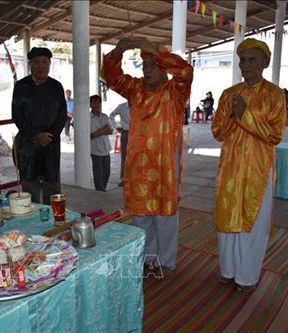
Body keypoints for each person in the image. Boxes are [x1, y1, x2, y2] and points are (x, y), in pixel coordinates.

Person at [103, 37, 193, 278]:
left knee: (164, 216)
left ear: (164, 70)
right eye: (144, 66)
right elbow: (111, 78)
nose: (147, 71)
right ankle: (147, 258)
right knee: (142, 215)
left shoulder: (175, 92)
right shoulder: (136, 89)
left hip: (165, 165)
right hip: (139, 165)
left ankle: (166, 262)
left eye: (153, 66)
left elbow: (185, 71)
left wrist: (155, 51)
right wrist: (119, 51)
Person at [211, 38, 286, 292]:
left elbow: (275, 135)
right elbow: (218, 132)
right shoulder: (228, 94)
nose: (246, 65)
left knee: (253, 222)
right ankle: (228, 270)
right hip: (230, 168)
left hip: (259, 170)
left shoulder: (275, 95)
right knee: (227, 220)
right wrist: (233, 114)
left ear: (265, 63)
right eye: (242, 59)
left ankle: (247, 276)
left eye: (252, 59)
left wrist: (246, 114)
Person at [12, 47, 67, 204]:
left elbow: (62, 115)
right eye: (36, 62)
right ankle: (34, 224)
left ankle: (56, 222)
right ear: (30, 65)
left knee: (53, 189)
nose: (40, 66)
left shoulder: (56, 87)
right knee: (30, 189)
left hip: (51, 144)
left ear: (49, 64)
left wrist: (49, 136)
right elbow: (17, 115)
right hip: (28, 144)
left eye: (44, 62)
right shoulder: (21, 87)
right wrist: (36, 135)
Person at [90, 95, 113, 191]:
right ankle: (100, 190)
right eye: (94, 102)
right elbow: (91, 135)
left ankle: (102, 189)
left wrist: (100, 131)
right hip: (95, 150)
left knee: (107, 172)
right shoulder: (88, 118)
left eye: (98, 102)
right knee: (98, 173)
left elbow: (110, 131)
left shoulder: (104, 116)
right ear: (90, 104)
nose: (97, 105)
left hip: (106, 148)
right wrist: (104, 130)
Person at [109, 101, 130, 186]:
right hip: (126, 133)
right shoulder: (121, 107)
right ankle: (123, 179)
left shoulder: (139, 104)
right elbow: (111, 115)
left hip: (138, 133)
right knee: (124, 156)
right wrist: (116, 127)